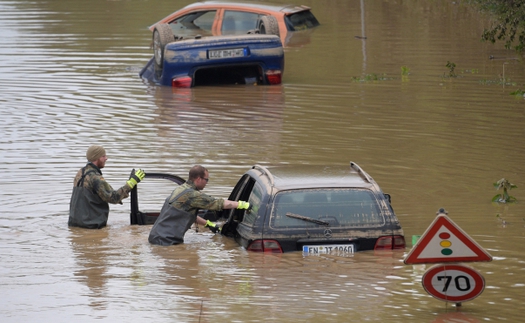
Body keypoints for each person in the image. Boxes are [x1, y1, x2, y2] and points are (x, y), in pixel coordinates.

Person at [148, 165, 250, 246]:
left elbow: (186, 213)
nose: (207, 183)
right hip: (165, 243)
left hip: (156, 237)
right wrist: (242, 204)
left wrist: (208, 224)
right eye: (206, 180)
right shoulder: (192, 195)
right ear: (198, 179)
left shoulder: (181, 189)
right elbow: (218, 203)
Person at [68, 145, 145, 229]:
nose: (106, 158)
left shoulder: (80, 173)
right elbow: (113, 197)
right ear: (96, 158)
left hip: (74, 224)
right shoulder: (95, 178)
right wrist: (131, 183)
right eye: (103, 156)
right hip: (91, 227)